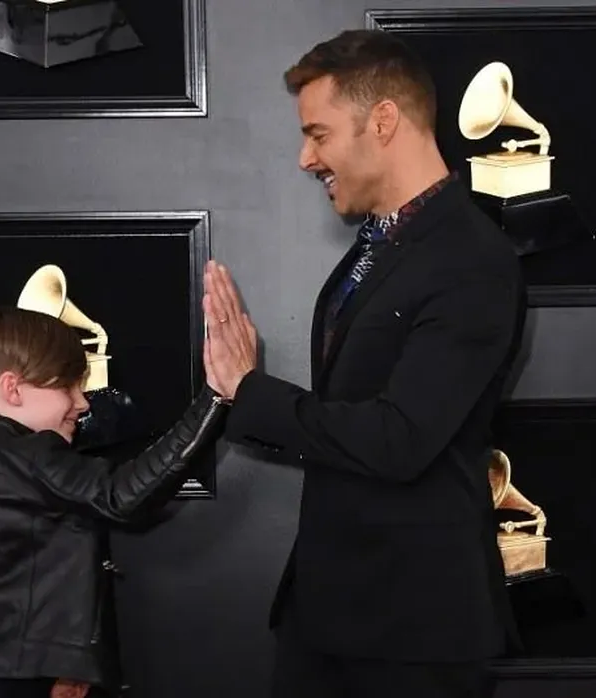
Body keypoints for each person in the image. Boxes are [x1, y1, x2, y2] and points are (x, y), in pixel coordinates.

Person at [201, 28, 527, 698]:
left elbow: (400, 439)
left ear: (383, 120)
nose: (303, 158)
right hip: (335, 616)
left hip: (410, 631)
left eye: (318, 134)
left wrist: (253, 392)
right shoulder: (381, 246)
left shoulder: (470, 259)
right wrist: (242, 395)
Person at [0, 305, 234, 698]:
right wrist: (217, 398)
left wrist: (64, 669)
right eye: (66, 386)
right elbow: (121, 496)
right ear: (12, 389)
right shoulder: (31, 456)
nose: (82, 402)